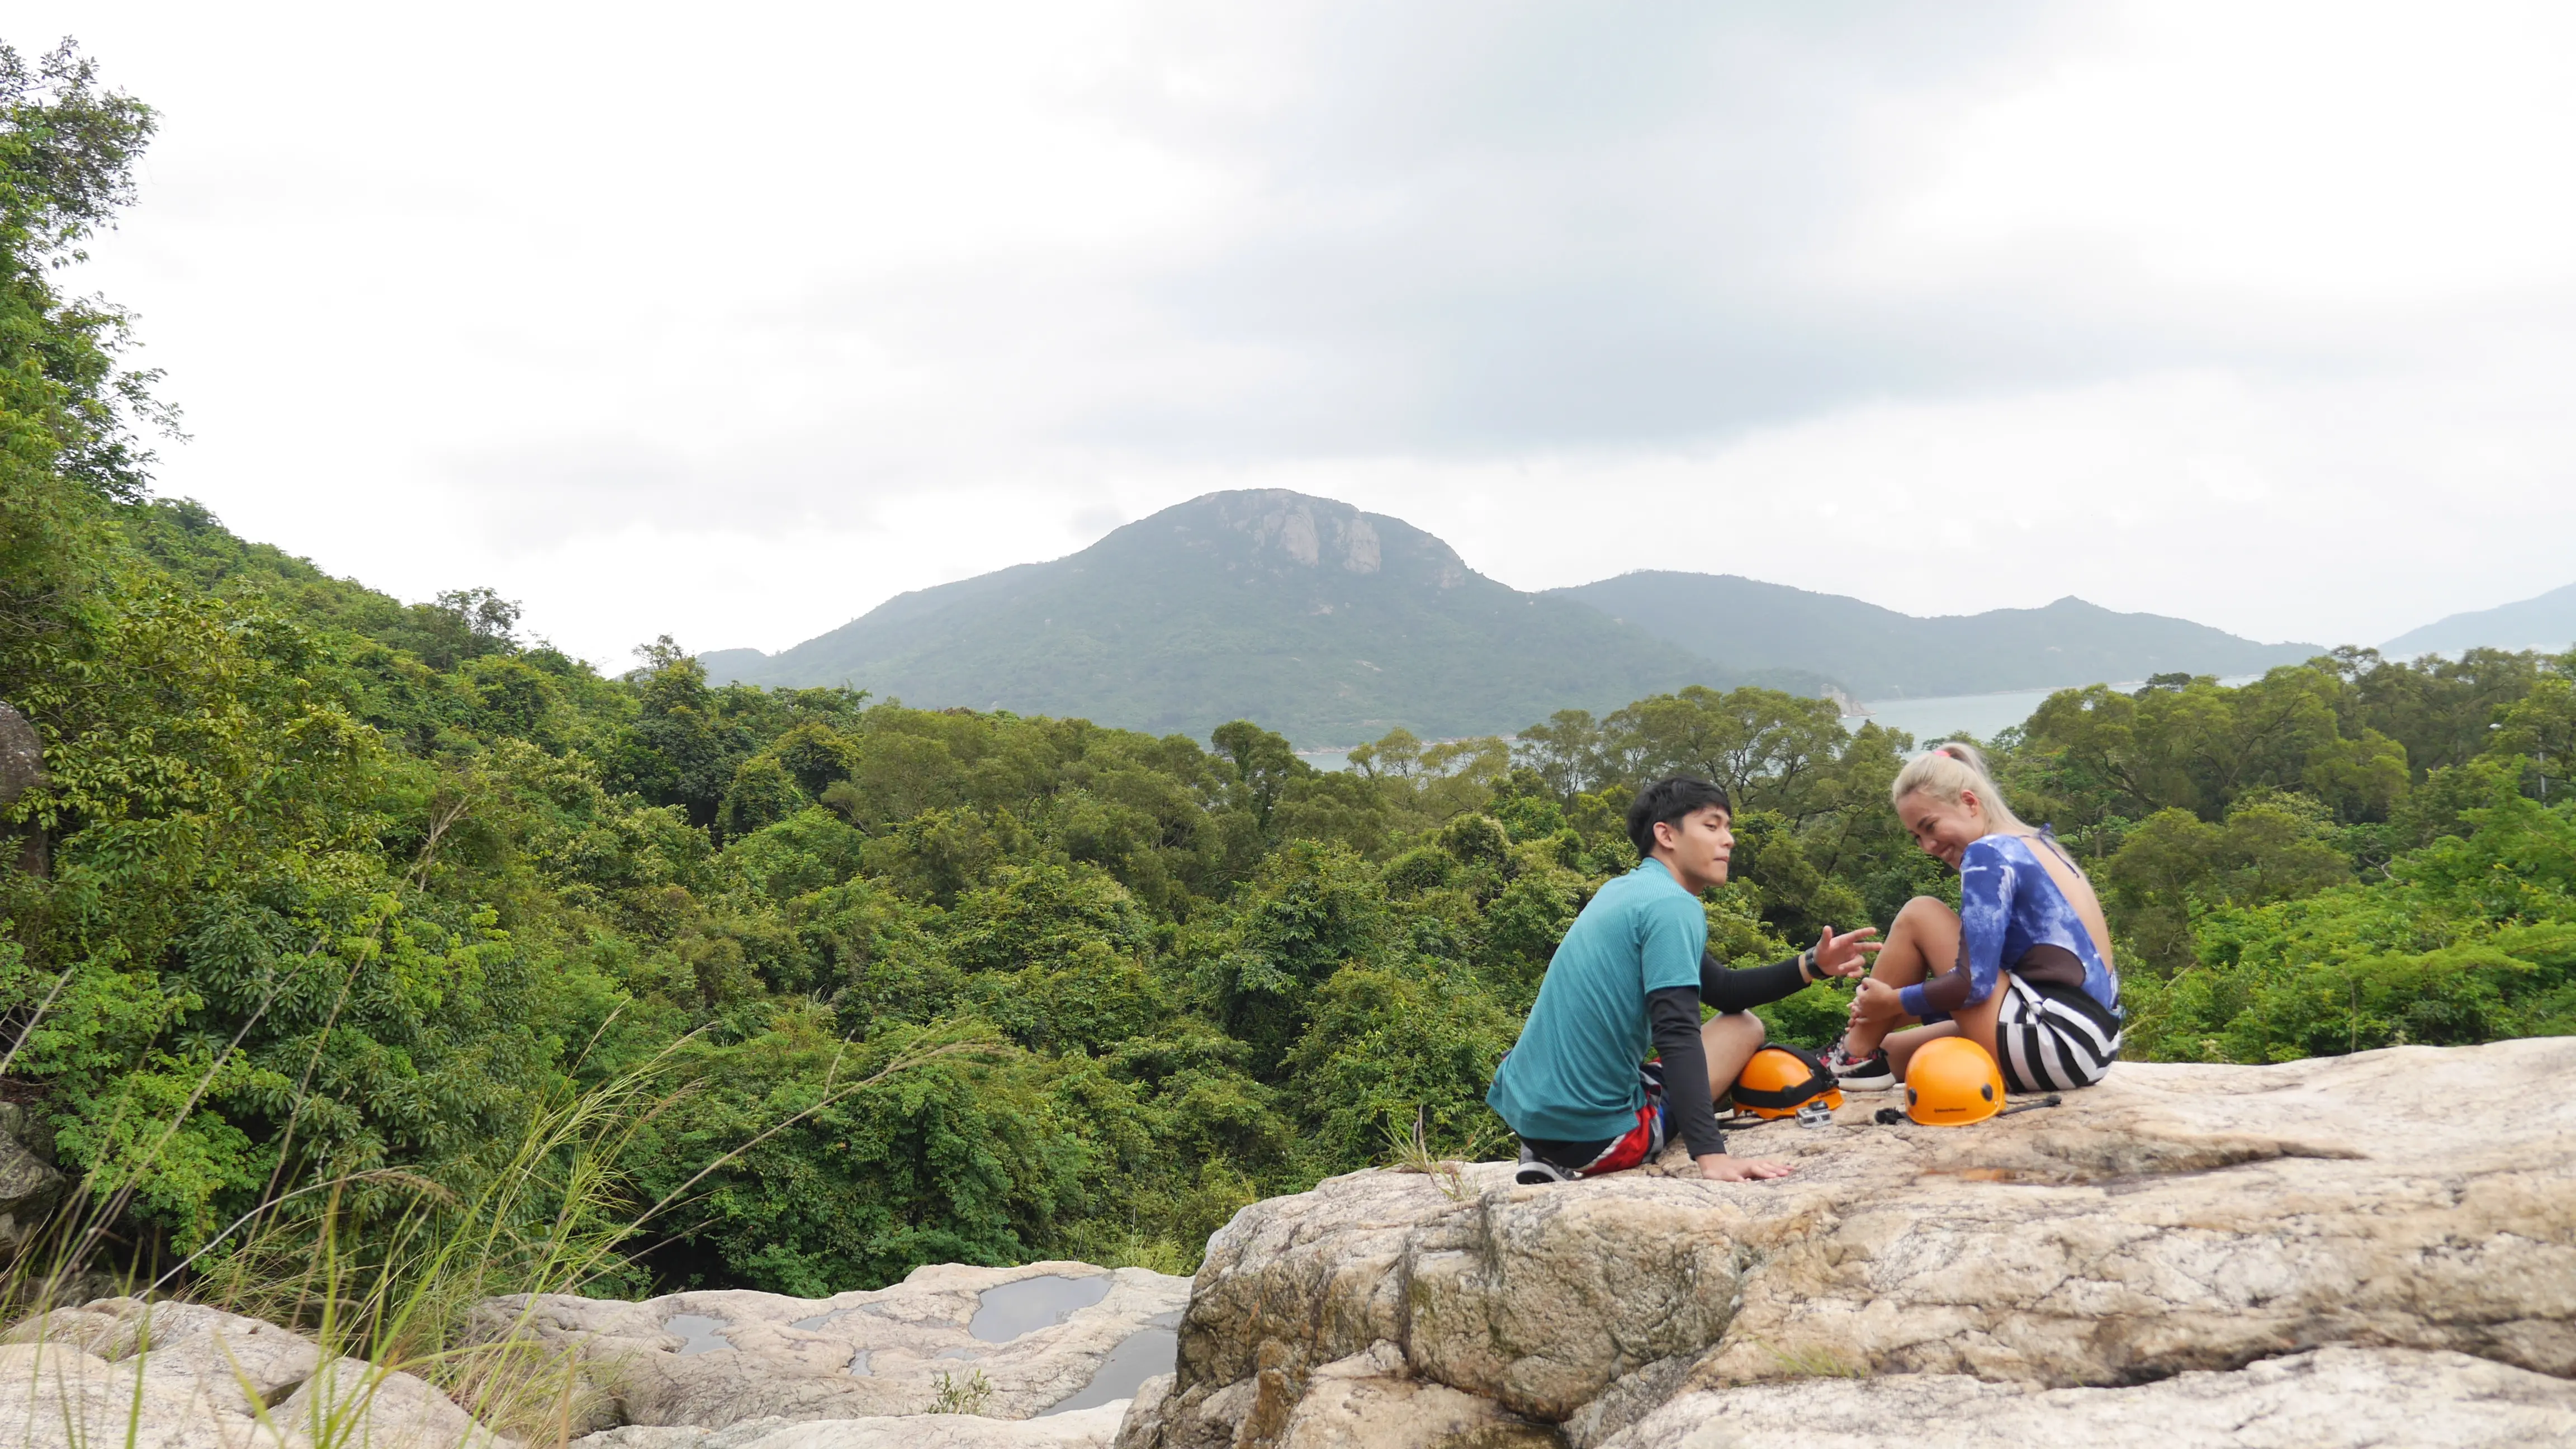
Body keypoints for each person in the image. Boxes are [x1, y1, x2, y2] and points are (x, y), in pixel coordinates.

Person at [1488, 776, 1881, 1186]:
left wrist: (1813, 964)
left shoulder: (1625, 890)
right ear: (1666, 834)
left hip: (1529, 1108)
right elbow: (1676, 1030)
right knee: (1746, 1027)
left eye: (1728, 827)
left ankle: (1545, 1150)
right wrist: (1711, 1156)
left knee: (1724, 1027)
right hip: (1599, 1137)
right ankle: (1575, 1155)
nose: (1728, 840)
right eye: (1711, 826)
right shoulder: (1672, 906)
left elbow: (1722, 990)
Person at [1823, 742, 2124, 1094]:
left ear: (1969, 802)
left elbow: (1973, 985)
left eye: (1930, 826)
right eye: (1917, 837)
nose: (1927, 846)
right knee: (1890, 1054)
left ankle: (1851, 1055)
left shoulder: (1988, 853)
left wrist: (1890, 1003)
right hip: (2090, 1048)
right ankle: (1864, 1056)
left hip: (2051, 1044)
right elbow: (2007, 982)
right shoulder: (2039, 844)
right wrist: (1886, 1010)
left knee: (1919, 913)